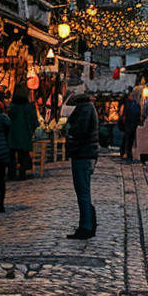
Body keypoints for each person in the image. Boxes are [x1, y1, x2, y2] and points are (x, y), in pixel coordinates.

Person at [64, 88, 100, 239]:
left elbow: (79, 132)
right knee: (83, 191)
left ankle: (86, 226)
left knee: (83, 192)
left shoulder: (85, 109)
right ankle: (88, 223)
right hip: (85, 154)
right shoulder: (87, 108)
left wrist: (71, 144)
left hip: (83, 155)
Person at [7, 84, 39, 179]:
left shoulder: (12, 107)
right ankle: (22, 172)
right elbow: (34, 121)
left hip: (12, 134)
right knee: (23, 154)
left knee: (12, 155)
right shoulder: (29, 107)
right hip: (25, 133)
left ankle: (12, 173)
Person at [119, 87, 142, 160]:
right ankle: (127, 153)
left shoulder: (132, 103)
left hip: (131, 123)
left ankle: (126, 152)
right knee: (129, 138)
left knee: (128, 138)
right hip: (130, 123)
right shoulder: (131, 103)